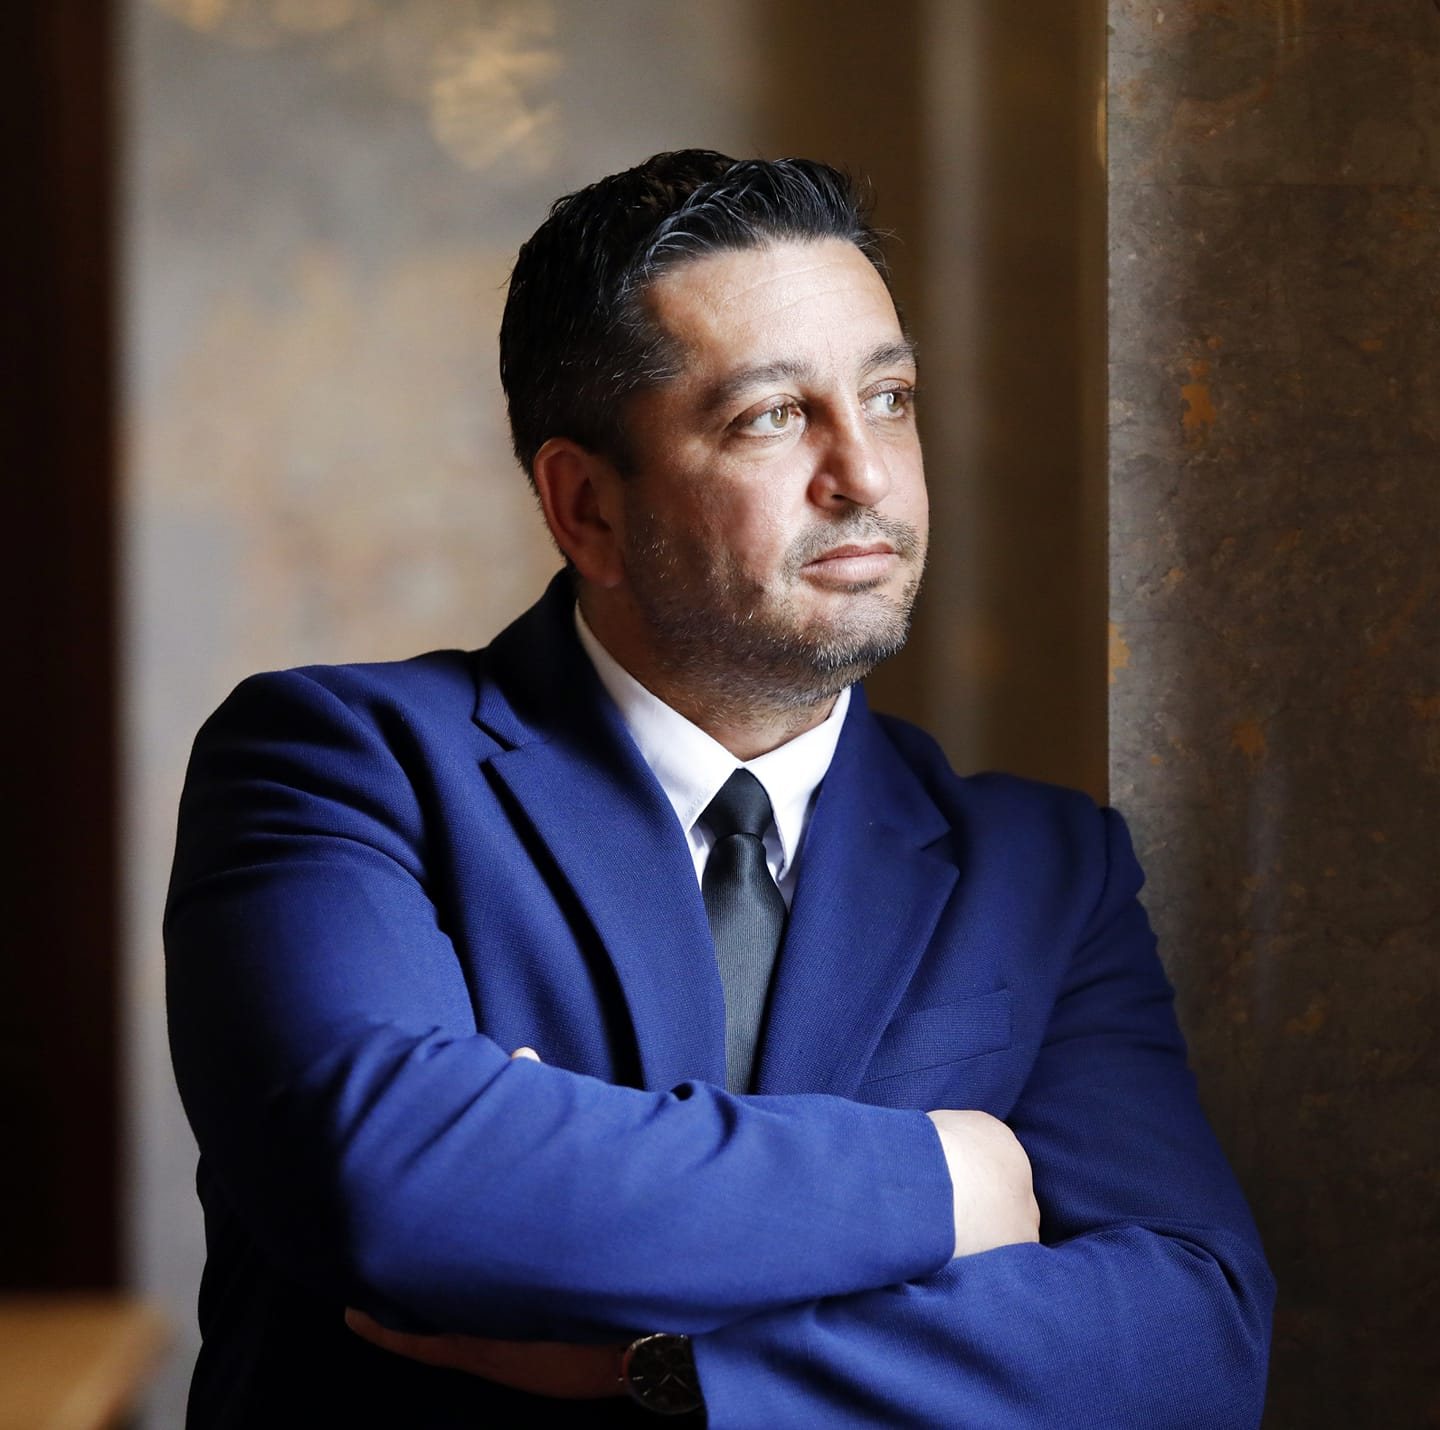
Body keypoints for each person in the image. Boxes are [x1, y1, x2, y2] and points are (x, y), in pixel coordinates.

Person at [165, 150, 1274, 1428]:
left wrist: (675, 1368)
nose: (866, 476)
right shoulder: (337, 764)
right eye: (772, 415)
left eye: (890, 398)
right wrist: (947, 1174)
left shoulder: (1046, 864)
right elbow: (396, 1185)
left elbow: (1191, 1335)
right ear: (586, 506)